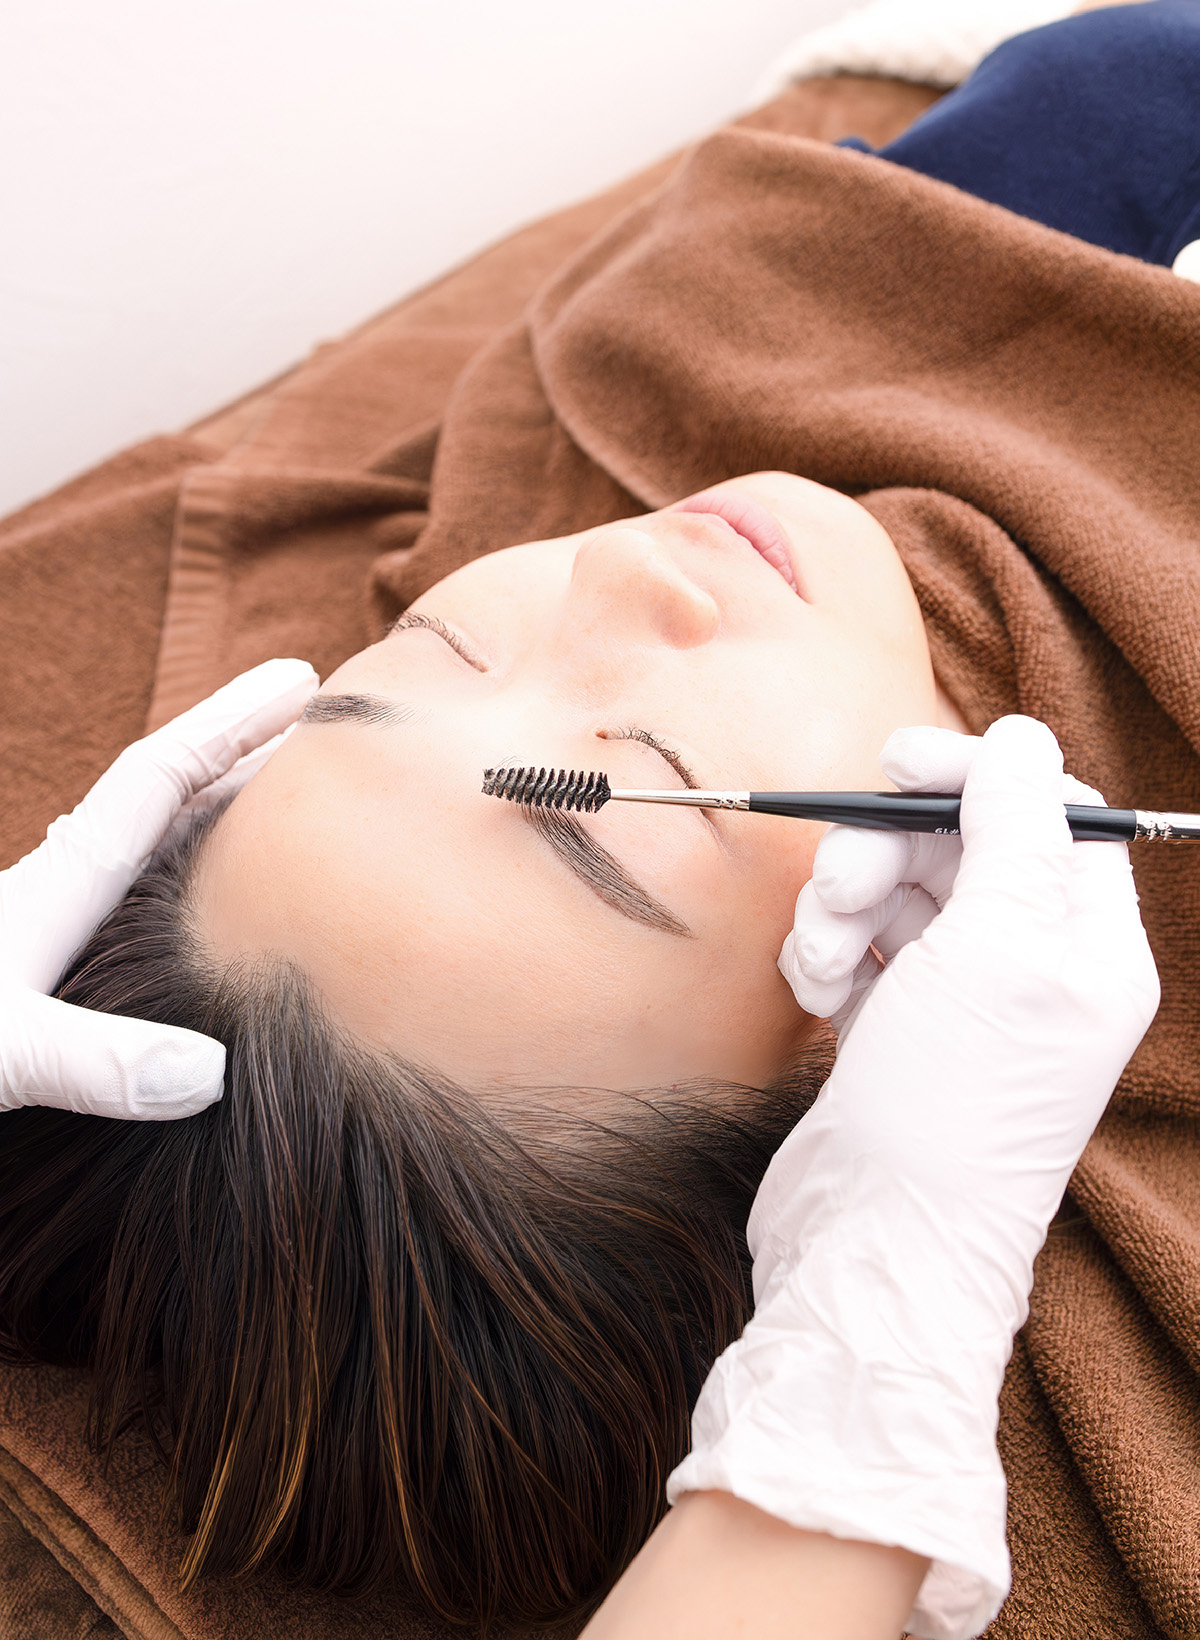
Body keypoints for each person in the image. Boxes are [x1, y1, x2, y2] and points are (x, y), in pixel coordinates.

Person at [0, 3, 1189, 1635]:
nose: (626, 569)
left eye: (441, 646)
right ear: (853, 1076)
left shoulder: (787, 309)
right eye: (637, 788)